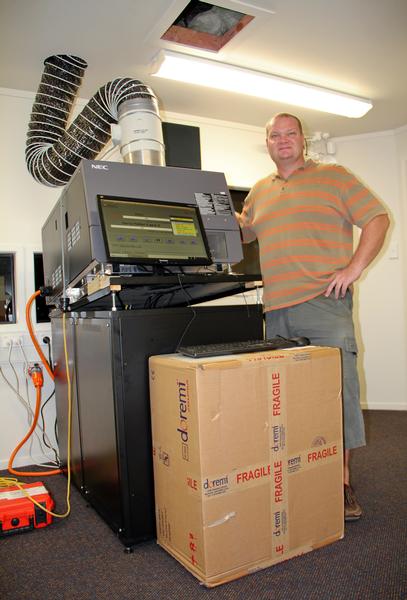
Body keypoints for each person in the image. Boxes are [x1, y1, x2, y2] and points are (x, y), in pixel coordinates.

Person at [235, 112, 389, 521]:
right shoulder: (260, 190)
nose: (283, 140)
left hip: (324, 303)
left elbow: (377, 218)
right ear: (266, 142)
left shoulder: (334, 176)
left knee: (337, 394)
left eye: (290, 133)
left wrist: (353, 268)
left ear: (302, 140)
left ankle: (339, 484)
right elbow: (245, 231)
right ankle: (303, 474)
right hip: (277, 310)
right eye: (275, 135)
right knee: (286, 401)